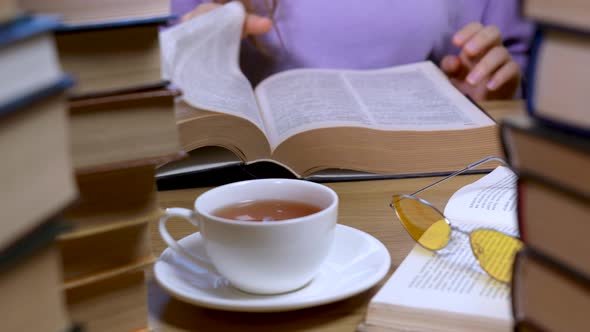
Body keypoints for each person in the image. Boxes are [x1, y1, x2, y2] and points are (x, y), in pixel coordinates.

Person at [172, 0, 533, 101]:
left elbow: (514, 59)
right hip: (245, 183)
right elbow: (153, 68)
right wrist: (188, 53)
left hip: (423, 178)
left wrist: (491, 83)